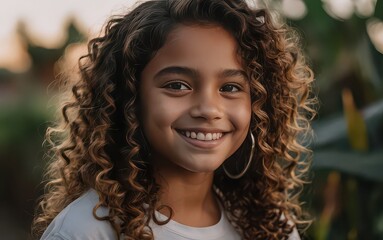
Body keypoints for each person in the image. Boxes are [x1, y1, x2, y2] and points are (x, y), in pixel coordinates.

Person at [32, 0, 316, 239]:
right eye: (178, 85)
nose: (208, 109)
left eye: (230, 88)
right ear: (129, 97)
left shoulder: (270, 225)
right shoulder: (85, 230)